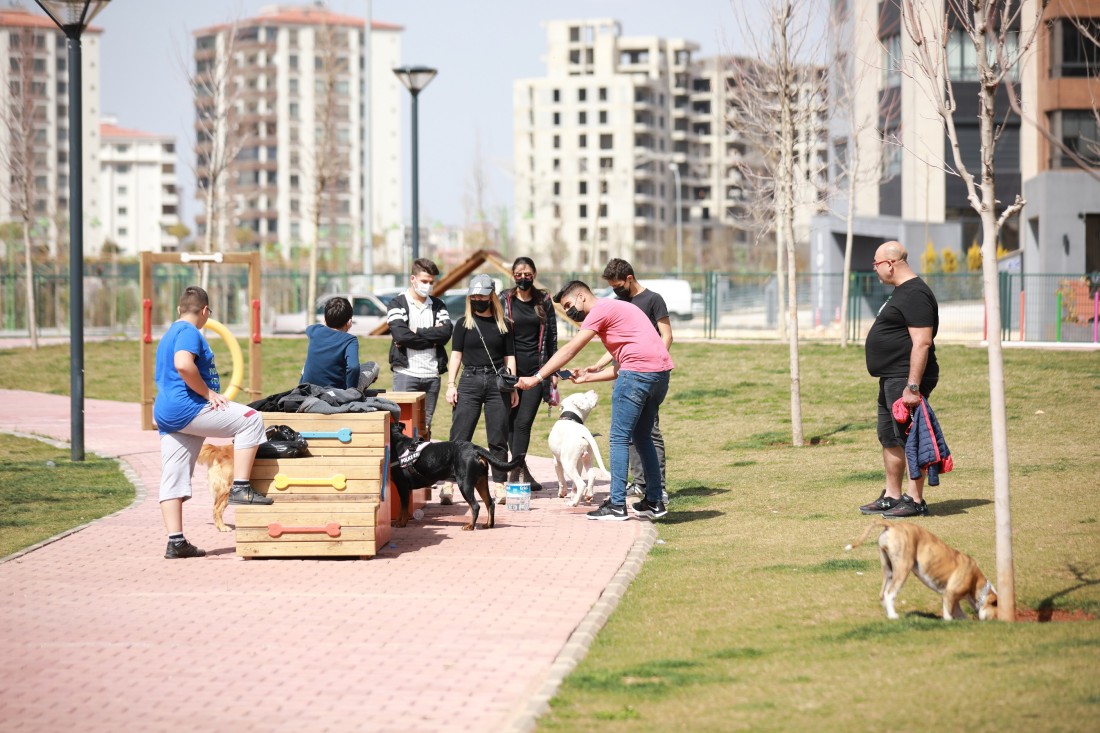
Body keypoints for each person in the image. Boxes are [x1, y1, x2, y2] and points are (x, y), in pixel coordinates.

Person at [517, 280, 674, 521]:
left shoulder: (599, 311)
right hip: (659, 376)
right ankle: (654, 500)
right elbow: (623, 367)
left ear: (581, 296)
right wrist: (588, 377)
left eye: (569, 304)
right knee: (642, 436)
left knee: (619, 437)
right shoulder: (621, 309)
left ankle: (617, 505)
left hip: (637, 375)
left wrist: (537, 378)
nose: (570, 311)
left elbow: (570, 350)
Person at [154, 286, 271, 560]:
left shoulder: (169, 333)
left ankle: (176, 541)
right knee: (252, 419)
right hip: (188, 407)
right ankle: (241, 487)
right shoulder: (189, 332)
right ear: (205, 311)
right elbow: (183, 364)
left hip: (166, 413)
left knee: (173, 474)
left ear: (179, 309)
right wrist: (208, 393)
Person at [860, 240, 940, 518]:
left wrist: (913, 387)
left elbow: (922, 343)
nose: (875, 269)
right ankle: (893, 496)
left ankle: (915, 499)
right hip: (890, 377)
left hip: (905, 379)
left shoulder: (915, 294)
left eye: (876, 264)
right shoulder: (901, 292)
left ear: (891, 264)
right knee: (888, 435)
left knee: (910, 438)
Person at [586, 258, 672, 503]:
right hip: (624, 375)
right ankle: (639, 483)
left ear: (630, 279)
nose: (616, 290)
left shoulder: (653, 300)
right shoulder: (618, 304)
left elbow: (666, 336)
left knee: (649, 432)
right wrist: (599, 365)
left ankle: (659, 486)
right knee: (628, 434)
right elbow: (617, 343)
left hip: (646, 373)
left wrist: (654, 362)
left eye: (618, 285)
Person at [443, 274, 519, 504]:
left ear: (491, 297)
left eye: (482, 296)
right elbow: (456, 356)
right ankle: (449, 483)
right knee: (459, 436)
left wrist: (512, 386)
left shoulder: (503, 324)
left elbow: (510, 357)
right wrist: (451, 384)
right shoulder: (463, 324)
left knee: (498, 437)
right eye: (474, 296)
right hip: (470, 380)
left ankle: (499, 484)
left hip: (497, 382)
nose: (477, 299)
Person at [499, 256, 558, 492]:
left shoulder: (543, 299)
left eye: (527, 273)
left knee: (523, 423)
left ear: (534, 274)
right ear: (513, 276)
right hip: (509, 371)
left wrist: (552, 372)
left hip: (536, 371)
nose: (523, 278)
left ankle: (514, 473)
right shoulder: (505, 298)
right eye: (518, 274)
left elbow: (552, 336)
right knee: (510, 425)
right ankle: (523, 471)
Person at [386, 258, 452, 440]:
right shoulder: (397, 303)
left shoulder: (438, 305)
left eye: (431, 282)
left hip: (432, 375)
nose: (428, 286)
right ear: (413, 279)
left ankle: (422, 467)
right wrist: (432, 340)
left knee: (425, 427)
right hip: (406, 373)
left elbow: (446, 333)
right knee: (402, 427)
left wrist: (415, 332)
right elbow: (400, 335)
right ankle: (401, 467)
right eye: (424, 281)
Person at [300, 296, 374, 390]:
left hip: (308, 388)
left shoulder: (314, 330)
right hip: (336, 392)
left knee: (306, 365)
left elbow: (308, 328)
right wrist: (351, 391)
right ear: (349, 322)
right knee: (372, 366)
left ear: (325, 320)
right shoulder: (350, 340)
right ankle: (352, 391)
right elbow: (353, 367)